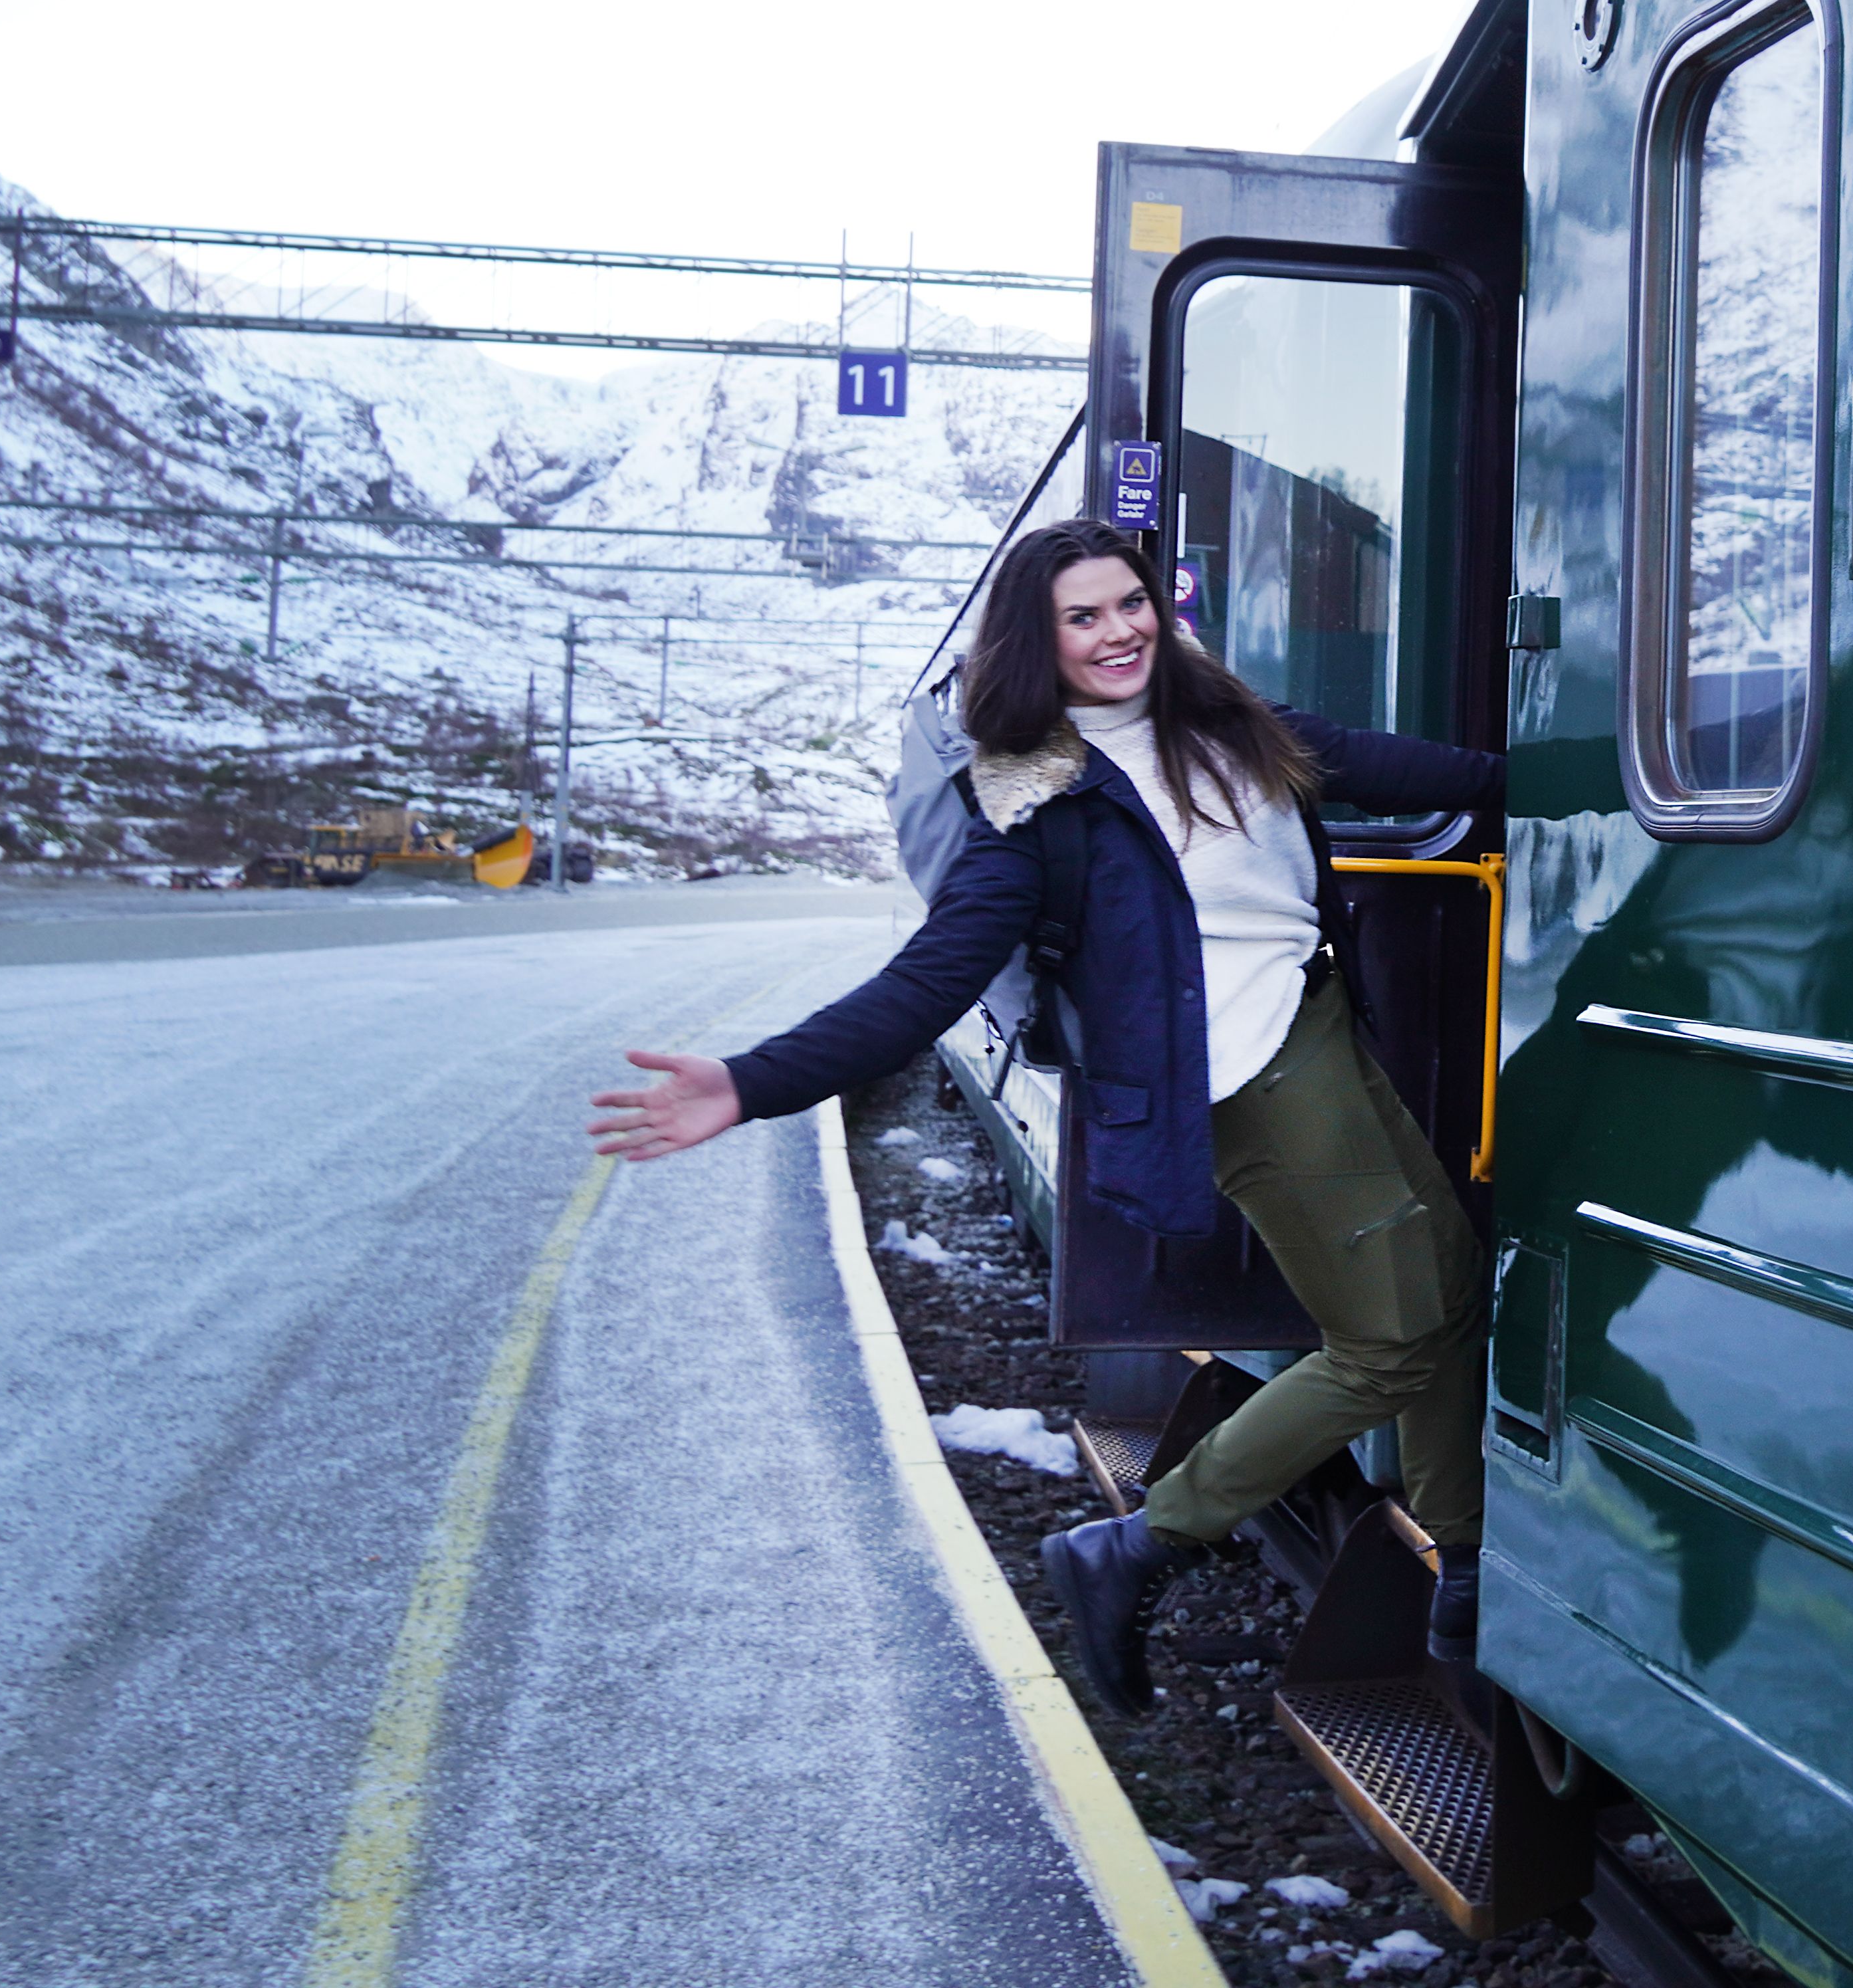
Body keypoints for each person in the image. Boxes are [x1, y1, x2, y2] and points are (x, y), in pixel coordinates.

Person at [586, 516, 1501, 1712]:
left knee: (1445, 1273)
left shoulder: (1226, 723)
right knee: (1389, 1340)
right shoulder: (1033, 803)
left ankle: (1462, 1557)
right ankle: (1141, 1544)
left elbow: (1428, 773)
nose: (1120, 631)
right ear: (1040, 639)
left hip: (1319, 1031)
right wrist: (753, 1082)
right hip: (1241, 1089)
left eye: (1132, 603)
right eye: (1085, 616)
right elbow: (928, 981)